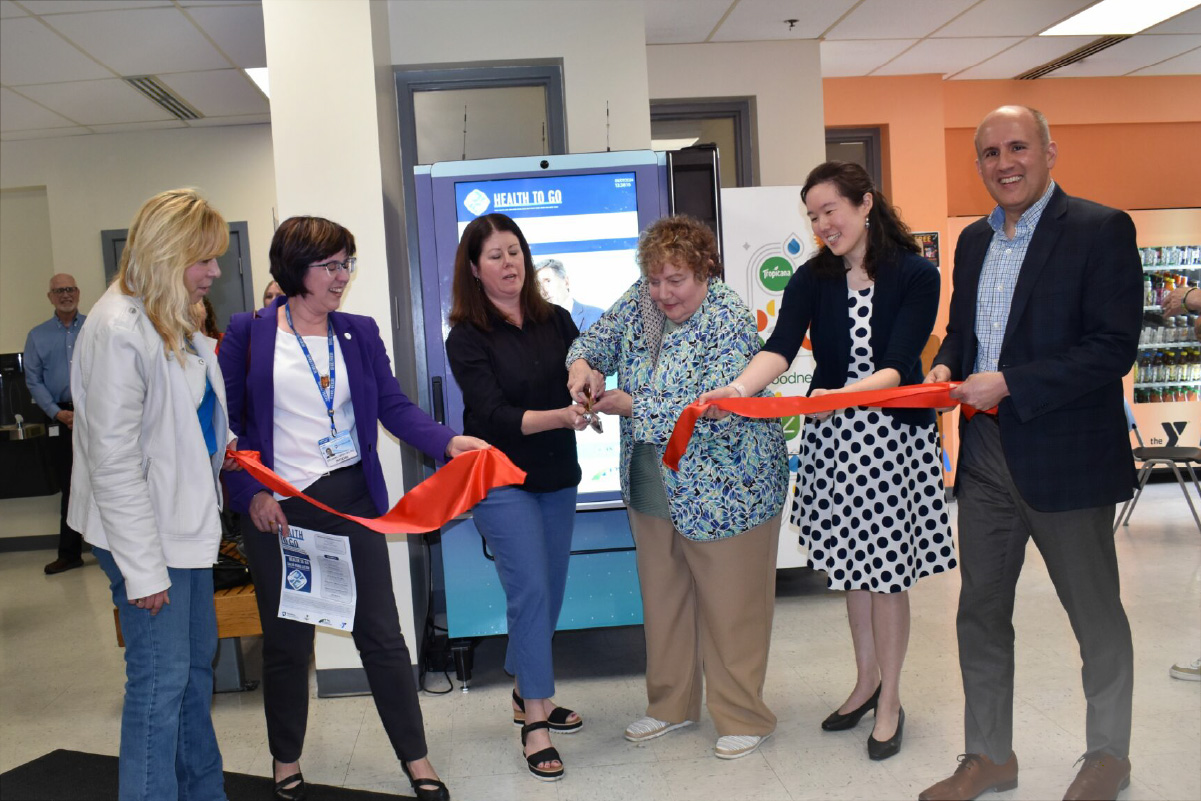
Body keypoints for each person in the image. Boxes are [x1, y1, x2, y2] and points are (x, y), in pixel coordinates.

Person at [220, 216, 486, 801]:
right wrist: (251, 496)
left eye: (348, 263)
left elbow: (392, 405)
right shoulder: (248, 333)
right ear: (296, 270)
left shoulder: (358, 332)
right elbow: (230, 431)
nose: (343, 276)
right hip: (278, 508)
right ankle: (285, 758)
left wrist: (446, 441)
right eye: (331, 266)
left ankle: (417, 762)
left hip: (350, 501)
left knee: (383, 638)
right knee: (288, 643)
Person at [918, 106, 1141, 801]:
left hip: (1065, 457)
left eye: (1016, 147)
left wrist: (1010, 382)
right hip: (982, 451)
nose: (1003, 162)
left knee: (1093, 612)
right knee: (979, 610)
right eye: (988, 153)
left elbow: (1111, 347)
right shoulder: (973, 242)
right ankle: (988, 755)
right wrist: (943, 366)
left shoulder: (1101, 230)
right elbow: (962, 331)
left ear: (1049, 150)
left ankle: (1108, 754)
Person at [700, 161, 955, 761]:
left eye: (829, 211)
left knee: (886, 576)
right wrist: (739, 390)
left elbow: (898, 364)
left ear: (865, 204)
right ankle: (864, 681)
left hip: (892, 441)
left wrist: (840, 396)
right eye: (812, 216)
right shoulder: (812, 278)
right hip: (837, 444)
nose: (821, 225)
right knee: (852, 570)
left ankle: (890, 698)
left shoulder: (917, 274)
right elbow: (780, 347)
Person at [567, 214, 788, 760]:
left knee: (731, 605)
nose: (664, 294)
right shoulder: (642, 301)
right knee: (664, 599)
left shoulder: (729, 317)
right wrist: (584, 369)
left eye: (676, 281)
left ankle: (744, 715)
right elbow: (594, 340)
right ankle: (670, 705)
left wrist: (634, 405)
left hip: (727, 485)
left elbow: (721, 408)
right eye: (655, 281)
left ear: (704, 270)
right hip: (651, 481)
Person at [67, 189, 235, 801]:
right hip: (146, 538)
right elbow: (112, 464)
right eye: (205, 259)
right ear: (169, 254)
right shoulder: (119, 328)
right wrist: (143, 573)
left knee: (192, 677)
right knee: (160, 688)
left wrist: (226, 443)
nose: (216, 271)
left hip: (180, 527)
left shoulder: (170, 311)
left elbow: (179, 417)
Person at [445, 214, 588, 782]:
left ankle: (523, 687)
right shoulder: (467, 337)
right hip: (500, 476)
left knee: (548, 592)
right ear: (474, 270)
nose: (509, 264)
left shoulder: (555, 318)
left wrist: (585, 377)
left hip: (557, 472)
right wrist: (562, 415)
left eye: (515, 252)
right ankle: (536, 720)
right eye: (495, 256)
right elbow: (496, 418)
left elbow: (581, 364)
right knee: (528, 587)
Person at [24, 273, 86, 574]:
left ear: (78, 292)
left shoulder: (94, 327)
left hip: (96, 414)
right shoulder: (37, 336)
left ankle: (113, 547)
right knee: (70, 485)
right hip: (59, 417)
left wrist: (88, 411)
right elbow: (32, 380)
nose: (65, 295)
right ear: (50, 297)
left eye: (70, 289)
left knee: (108, 478)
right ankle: (70, 553)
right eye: (58, 291)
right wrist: (57, 413)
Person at [535, 258, 604, 332]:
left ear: (566, 282)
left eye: (548, 281)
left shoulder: (598, 316)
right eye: (538, 286)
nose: (543, 291)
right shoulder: (536, 326)